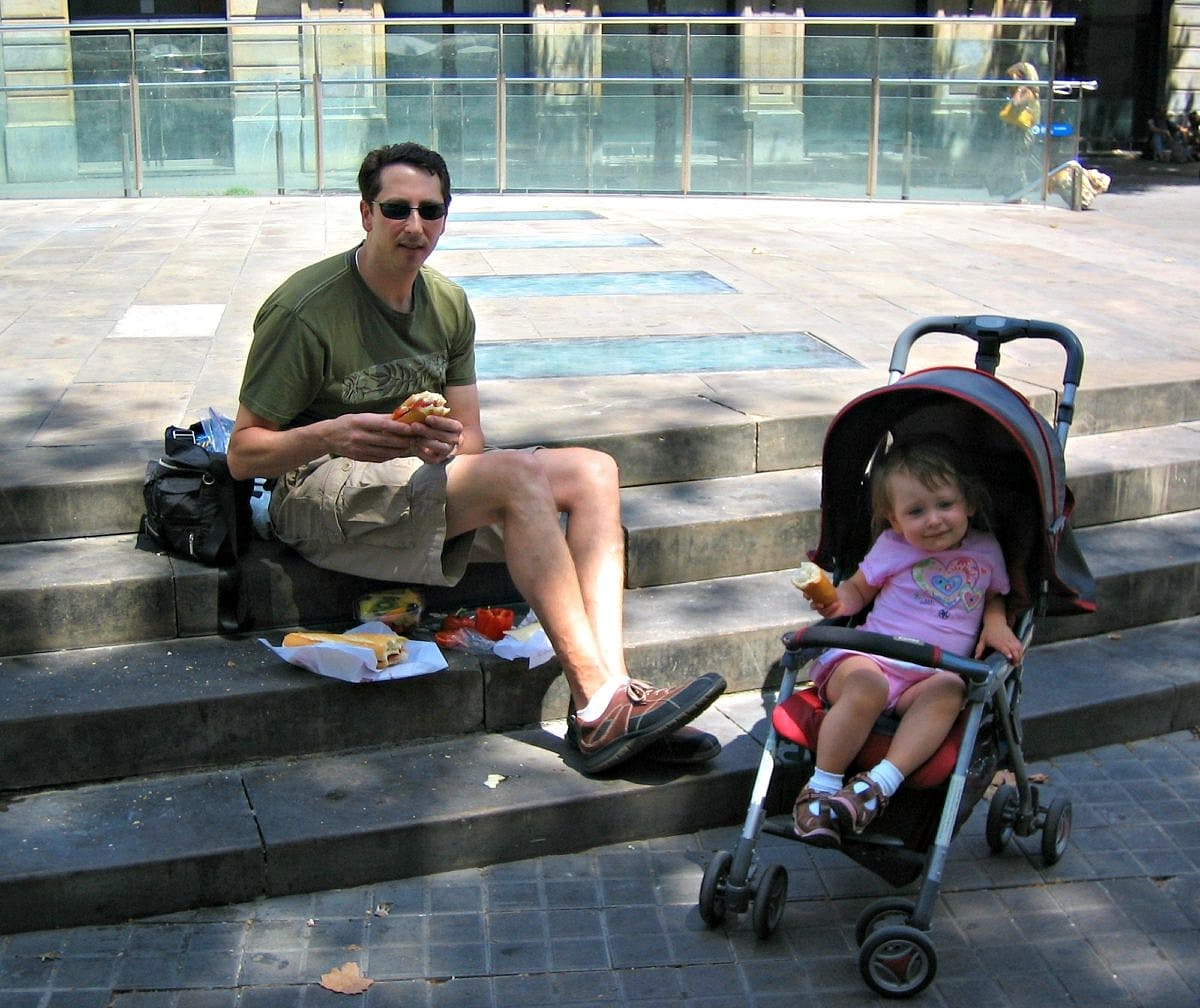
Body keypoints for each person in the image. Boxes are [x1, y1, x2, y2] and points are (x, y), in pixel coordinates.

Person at [226, 141, 725, 775]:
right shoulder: (305, 309)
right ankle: (597, 704)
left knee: (595, 470)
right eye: (396, 209)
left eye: (430, 211)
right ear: (364, 213)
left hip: (410, 479)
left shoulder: (447, 303)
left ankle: (615, 693)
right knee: (519, 479)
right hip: (316, 489)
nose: (414, 227)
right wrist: (331, 434)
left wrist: (445, 442)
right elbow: (244, 455)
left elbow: (471, 440)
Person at [792, 439, 1023, 847]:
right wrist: (834, 600)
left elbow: (993, 595)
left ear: (968, 504)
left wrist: (996, 622)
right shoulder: (893, 548)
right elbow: (858, 592)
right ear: (894, 521)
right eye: (916, 511)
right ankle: (821, 787)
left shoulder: (987, 550)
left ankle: (875, 787)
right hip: (871, 657)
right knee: (868, 685)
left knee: (951, 689)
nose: (933, 519)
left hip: (932, 673)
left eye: (945, 505)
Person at [986, 61, 1042, 202]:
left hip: (1022, 134)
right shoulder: (1021, 90)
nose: (1011, 81)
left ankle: (1019, 195)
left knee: (1017, 165)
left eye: (1014, 77)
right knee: (1007, 163)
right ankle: (1011, 193)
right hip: (1013, 131)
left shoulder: (1027, 92)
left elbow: (1016, 103)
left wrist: (1019, 89)